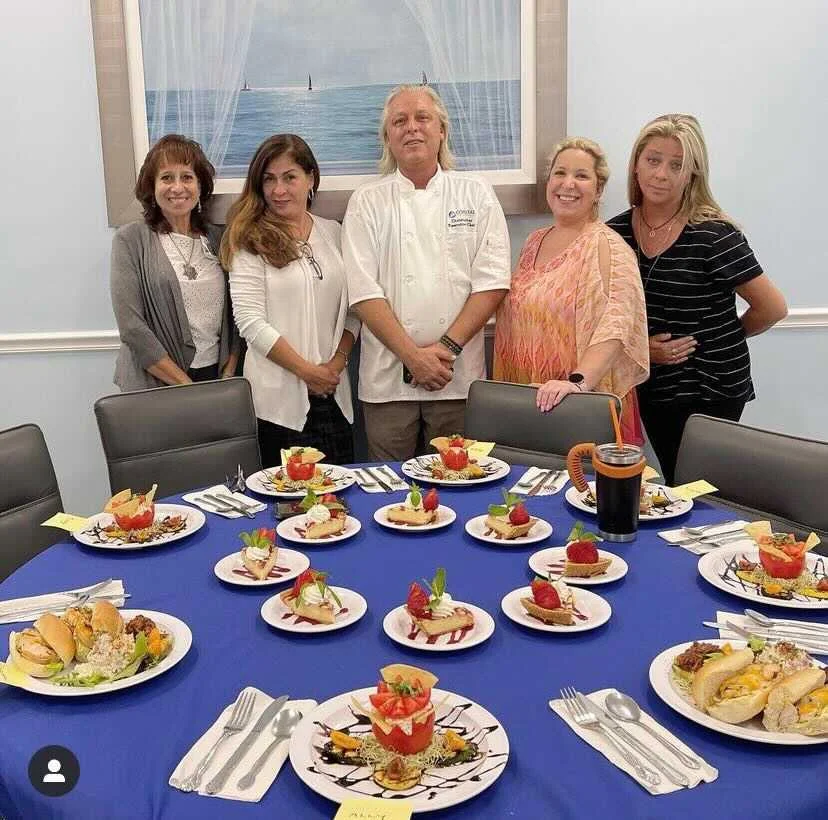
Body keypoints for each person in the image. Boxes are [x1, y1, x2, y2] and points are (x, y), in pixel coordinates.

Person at [607, 114, 787, 484]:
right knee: (675, 481)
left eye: (677, 165)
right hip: (653, 384)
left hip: (712, 386)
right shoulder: (614, 234)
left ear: (692, 174)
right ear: (636, 164)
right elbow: (608, 317)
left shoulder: (714, 234)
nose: (661, 174)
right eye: (653, 160)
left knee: (702, 486)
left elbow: (772, 308)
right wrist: (642, 349)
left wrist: (718, 337)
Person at [342, 84, 510, 461]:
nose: (412, 128)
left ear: (442, 130)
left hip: (457, 376)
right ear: (388, 137)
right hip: (388, 381)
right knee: (389, 486)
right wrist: (413, 357)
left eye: (422, 118)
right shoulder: (367, 201)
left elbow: (492, 283)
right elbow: (363, 292)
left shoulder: (475, 193)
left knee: (459, 481)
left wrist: (445, 350)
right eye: (399, 121)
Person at [493, 137, 649, 443]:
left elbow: (617, 326)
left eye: (581, 176)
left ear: (598, 190)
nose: (568, 184)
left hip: (578, 403)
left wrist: (576, 384)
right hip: (530, 397)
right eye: (560, 173)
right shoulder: (533, 242)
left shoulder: (608, 247)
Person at [222, 134, 358, 467]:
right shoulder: (248, 239)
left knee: (341, 495)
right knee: (286, 498)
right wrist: (308, 372)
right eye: (269, 179)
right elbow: (250, 322)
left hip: (334, 397)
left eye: (289, 177)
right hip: (278, 406)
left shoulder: (335, 233)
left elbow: (354, 309)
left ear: (311, 178)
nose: (278, 190)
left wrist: (335, 365)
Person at [110, 134, 239, 389]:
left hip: (216, 376)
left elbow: (238, 312)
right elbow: (131, 327)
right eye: (167, 177)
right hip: (154, 382)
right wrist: (186, 387)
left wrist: (228, 373)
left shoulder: (220, 238)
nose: (177, 187)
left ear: (200, 186)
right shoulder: (130, 240)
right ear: (152, 186)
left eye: (187, 177)